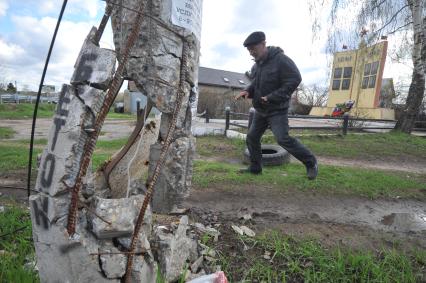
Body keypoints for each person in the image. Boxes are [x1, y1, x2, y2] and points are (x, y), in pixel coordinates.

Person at [235, 31, 318, 180]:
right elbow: (255, 83)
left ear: (263, 44)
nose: (252, 52)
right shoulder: (257, 65)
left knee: (282, 139)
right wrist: (247, 91)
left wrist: (272, 97)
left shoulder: (281, 60)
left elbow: (294, 79)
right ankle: (255, 168)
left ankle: (311, 163)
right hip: (261, 109)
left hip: (277, 109)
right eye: (249, 50)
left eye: (253, 48)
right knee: (252, 137)